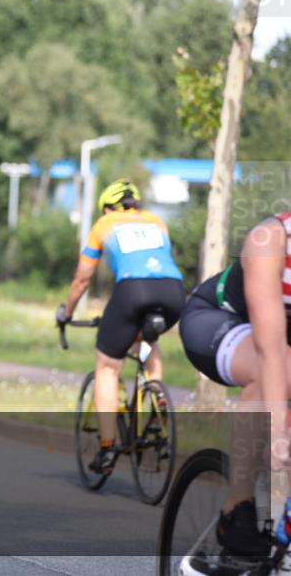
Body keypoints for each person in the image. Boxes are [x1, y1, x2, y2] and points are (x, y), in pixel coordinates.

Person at [179, 211, 291, 564]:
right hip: (215, 318)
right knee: (270, 371)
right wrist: (277, 431)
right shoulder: (270, 241)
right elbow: (269, 349)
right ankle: (236, 510)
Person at [57, 179, 185, 474]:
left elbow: (82, 279)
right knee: (147, 341)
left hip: (133, 291)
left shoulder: (105, 224)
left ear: (107, 207)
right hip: (174, 291)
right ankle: (157, 401)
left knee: (106, 366)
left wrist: (67, 312)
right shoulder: (157, 221)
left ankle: (107, 446)